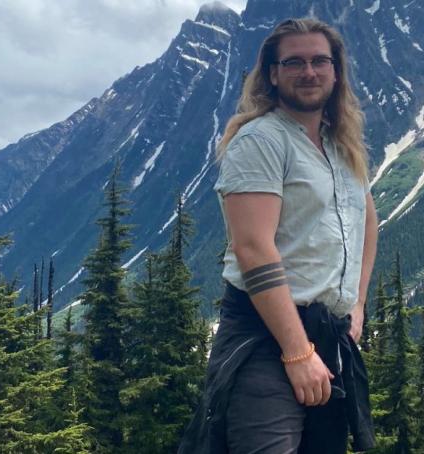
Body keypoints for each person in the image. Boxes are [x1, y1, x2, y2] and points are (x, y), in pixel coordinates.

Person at [179, 17, 378, 454]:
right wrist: (297, 352)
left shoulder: (341, 145)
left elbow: (367, 221)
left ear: (335, 71)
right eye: (294, 62)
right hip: (266, 339)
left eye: (319, 61)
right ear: (272, 73)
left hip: (327, 337)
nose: (309, 72)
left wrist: (357, 305)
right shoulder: (260, 141)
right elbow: (253, 249)